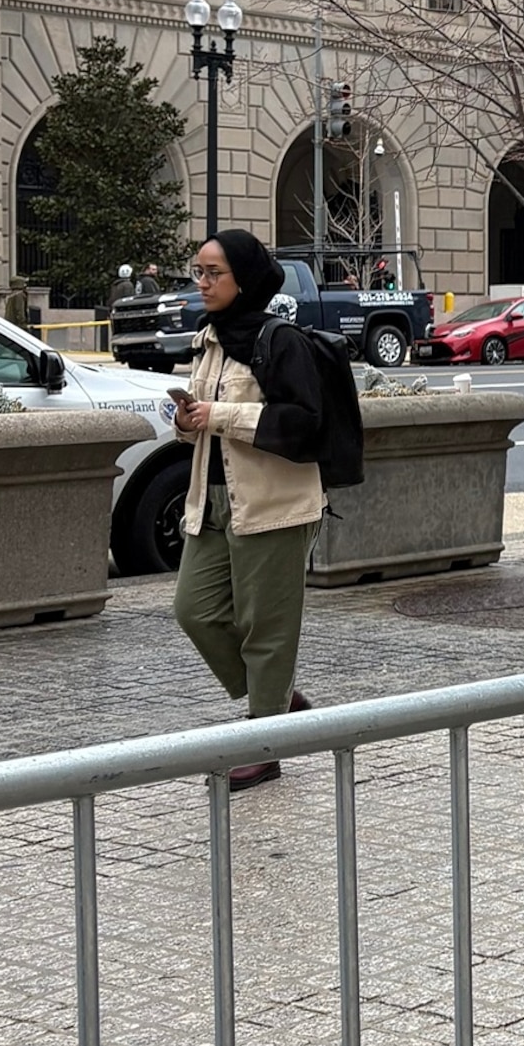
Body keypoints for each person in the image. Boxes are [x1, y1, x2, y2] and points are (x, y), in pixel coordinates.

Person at [172, 230, 323, 788]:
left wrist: (218, 416)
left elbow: (304, 423)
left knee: (267, 627)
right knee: (195, 610)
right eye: (198, 272)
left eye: (214, 273)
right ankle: (277, 696)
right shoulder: (208, 338)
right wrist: (188, 423)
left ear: (245, 280)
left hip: (273, 503)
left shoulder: (279, 341)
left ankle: (264, 737)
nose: (203, 284)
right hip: (210, 501)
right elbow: (204, 427)